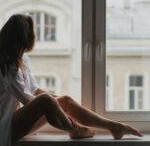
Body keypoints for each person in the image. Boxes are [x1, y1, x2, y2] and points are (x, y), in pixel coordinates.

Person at [0, 14, 143, 146]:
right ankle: (76, 130)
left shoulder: (21, 60)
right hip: (4, 129)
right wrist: (61, 112)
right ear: (23, 39)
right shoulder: (6, 66)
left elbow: (34, 90)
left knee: (64, 100)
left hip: (13, 122)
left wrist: (63, 104)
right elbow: (30, 101)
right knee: (47, 100)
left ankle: (114, 126)